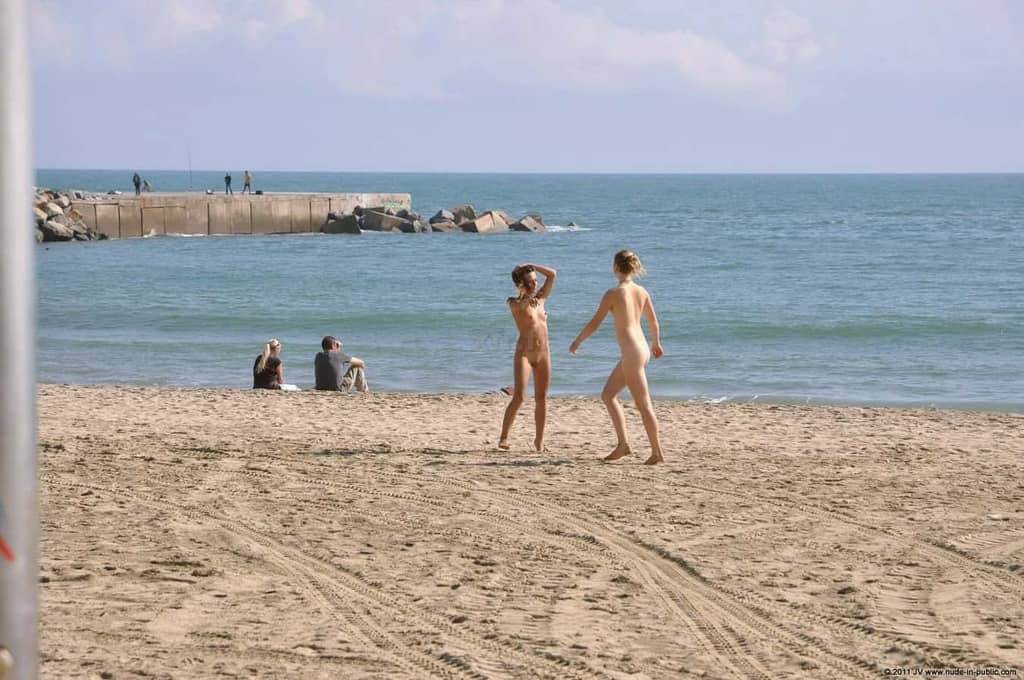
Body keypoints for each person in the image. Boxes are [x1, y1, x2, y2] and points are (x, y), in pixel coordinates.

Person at [570, 250, 665, 464]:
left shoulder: (613, 294)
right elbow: (653, 321)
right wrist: (656, 343)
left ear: (615, 267)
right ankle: (623, 444)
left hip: (632, 353)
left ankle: (657, 452)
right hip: (641, 349)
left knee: (644, 405)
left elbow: (595, 323)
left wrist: (577, 341)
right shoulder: (642, 291)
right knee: (608, 395)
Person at [499, 263, 557, 452]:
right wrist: (526, 297)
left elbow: (552, 275)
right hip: (524, 354)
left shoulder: (540, 300)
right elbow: (521, 305)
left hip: (544, 354)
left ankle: (539, 441)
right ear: (521, 285)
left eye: (535, 281)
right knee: (519, 397)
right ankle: (504, 437)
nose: (534, 285)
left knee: (542, 398)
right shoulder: (514, 303)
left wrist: (531, 265)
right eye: (530, 282)